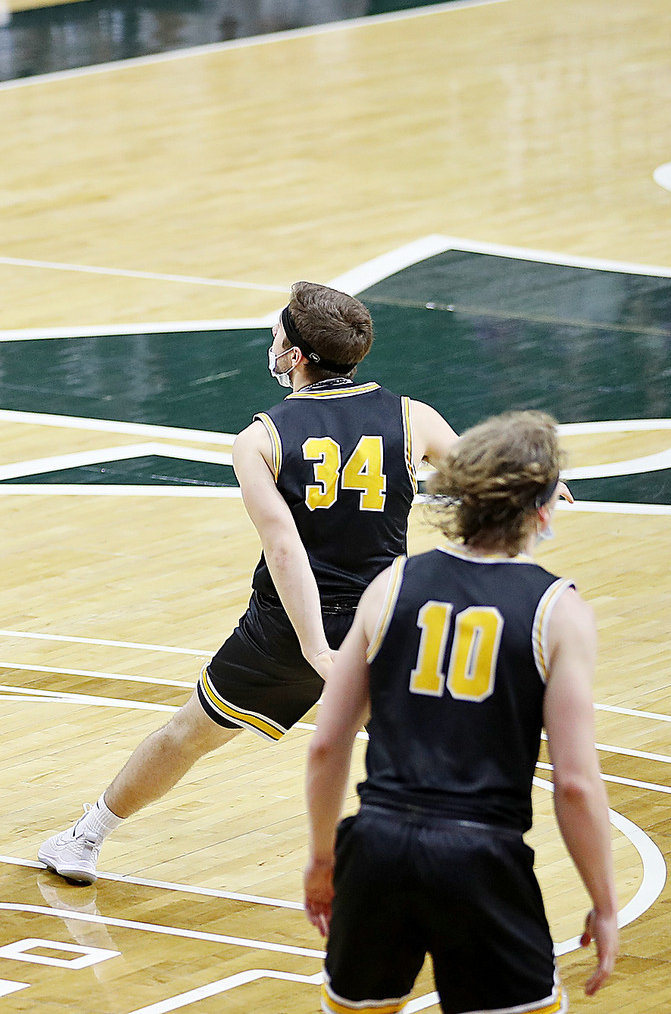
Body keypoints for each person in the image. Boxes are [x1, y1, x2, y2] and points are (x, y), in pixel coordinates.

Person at [40, 282, 462, 881]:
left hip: (289, 629)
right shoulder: (411, 417)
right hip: (385, 616)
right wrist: (535, 483)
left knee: (190, 733)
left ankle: (85, 838)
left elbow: (286, 548)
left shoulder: (260, 438)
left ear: (295, 356)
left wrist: (315, 645)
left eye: (276, 336)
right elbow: (477, 467)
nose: (271, 343)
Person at [303, 411, 618, 1013]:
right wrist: (604, 904)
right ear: (543, 507)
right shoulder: (558, 610)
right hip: (479, 859)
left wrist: (324, 859)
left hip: (376, 847)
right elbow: (575, 784)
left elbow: (327, 744)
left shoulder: (391, 584)